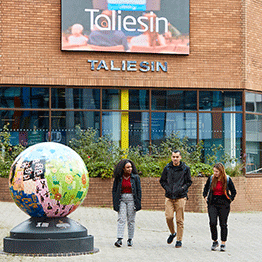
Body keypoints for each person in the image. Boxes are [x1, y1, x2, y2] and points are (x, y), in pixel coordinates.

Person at [159, 150, 192, 248]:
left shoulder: (185, 168)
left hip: (180, 197)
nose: (175, 159)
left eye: (177, 157)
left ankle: (179, 240)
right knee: (169, 217)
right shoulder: (167, 168)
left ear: (180, 157)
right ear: (171, 157)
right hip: (169, 196)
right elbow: (162, 181)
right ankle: (173, 233)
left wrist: (182, 189)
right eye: (173, 156)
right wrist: (167, 188)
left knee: (179, 220)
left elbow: (189, 182)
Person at [203, 162, 237, 252]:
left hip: (224, 203)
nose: (215, 173)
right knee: (212, 223)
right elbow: (205, 188)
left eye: (217, 171)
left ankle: (223, 243)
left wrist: (230, 199)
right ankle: (215, 241)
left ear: (221, 171)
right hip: (212, 203)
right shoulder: (211, 178)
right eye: (214, 171)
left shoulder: (227, 179)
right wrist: (205, 196)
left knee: (223, 224)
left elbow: (234, 192)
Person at [112, 159, 141, 247]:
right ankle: (119, 239)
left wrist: (138, 202)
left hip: (132, 199)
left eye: (131, 167)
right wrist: (115, 202)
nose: (130, 169)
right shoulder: (119, 178)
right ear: (123, 168)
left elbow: (139, 191)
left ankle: (130, 239)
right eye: (127, 167)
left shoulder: (135, 177)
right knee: (121, 219)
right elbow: (114, 190)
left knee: (131, 220)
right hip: (121, 199)